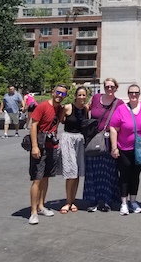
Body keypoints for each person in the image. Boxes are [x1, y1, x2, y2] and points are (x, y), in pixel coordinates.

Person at [110, 84, 141, 216]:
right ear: (128, 94)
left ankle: (133, 201)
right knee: (125, 175)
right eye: (131, 92)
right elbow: (113, 128)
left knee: (135, 175)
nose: (134, 95)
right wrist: (114, 147)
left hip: (140, 149)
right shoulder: (121, 109)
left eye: (136, 92)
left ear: (139, 94)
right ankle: (123, 203)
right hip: (124, 148)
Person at [28, 84, 67, 225]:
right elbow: (33, 125)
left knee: (46, 178)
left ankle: (41, 206)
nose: (60, 96)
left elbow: (62, 120)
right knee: (37, 179)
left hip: (52, 146)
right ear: (52, 92)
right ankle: (33, 212)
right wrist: (34, 146)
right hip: (40, 146)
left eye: (63, 94)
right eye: (58, 93)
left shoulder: (59, 109)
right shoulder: (43, 106)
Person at [83, 78, 123, 212]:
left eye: (112, 87)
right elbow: (86, 109)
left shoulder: (119, 103)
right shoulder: (95, 98)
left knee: (108, 171)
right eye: (107, 87)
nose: (109, 89)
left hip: (109, 140)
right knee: (93, 171)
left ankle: (106, 201)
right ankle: (93, 201)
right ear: (103, 87)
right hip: (94, 138)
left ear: (116, 88)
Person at [58, 86, 87, 214]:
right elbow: (61, 120)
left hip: (80, 140)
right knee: (70, 171)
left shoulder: (86, 109)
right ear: (75, 96)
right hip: (68, 139)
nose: (81, 97)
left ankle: (73, 200)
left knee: (77, 171)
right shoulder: (68, 107)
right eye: (79, 95)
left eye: (83, 95)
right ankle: (67, 201)